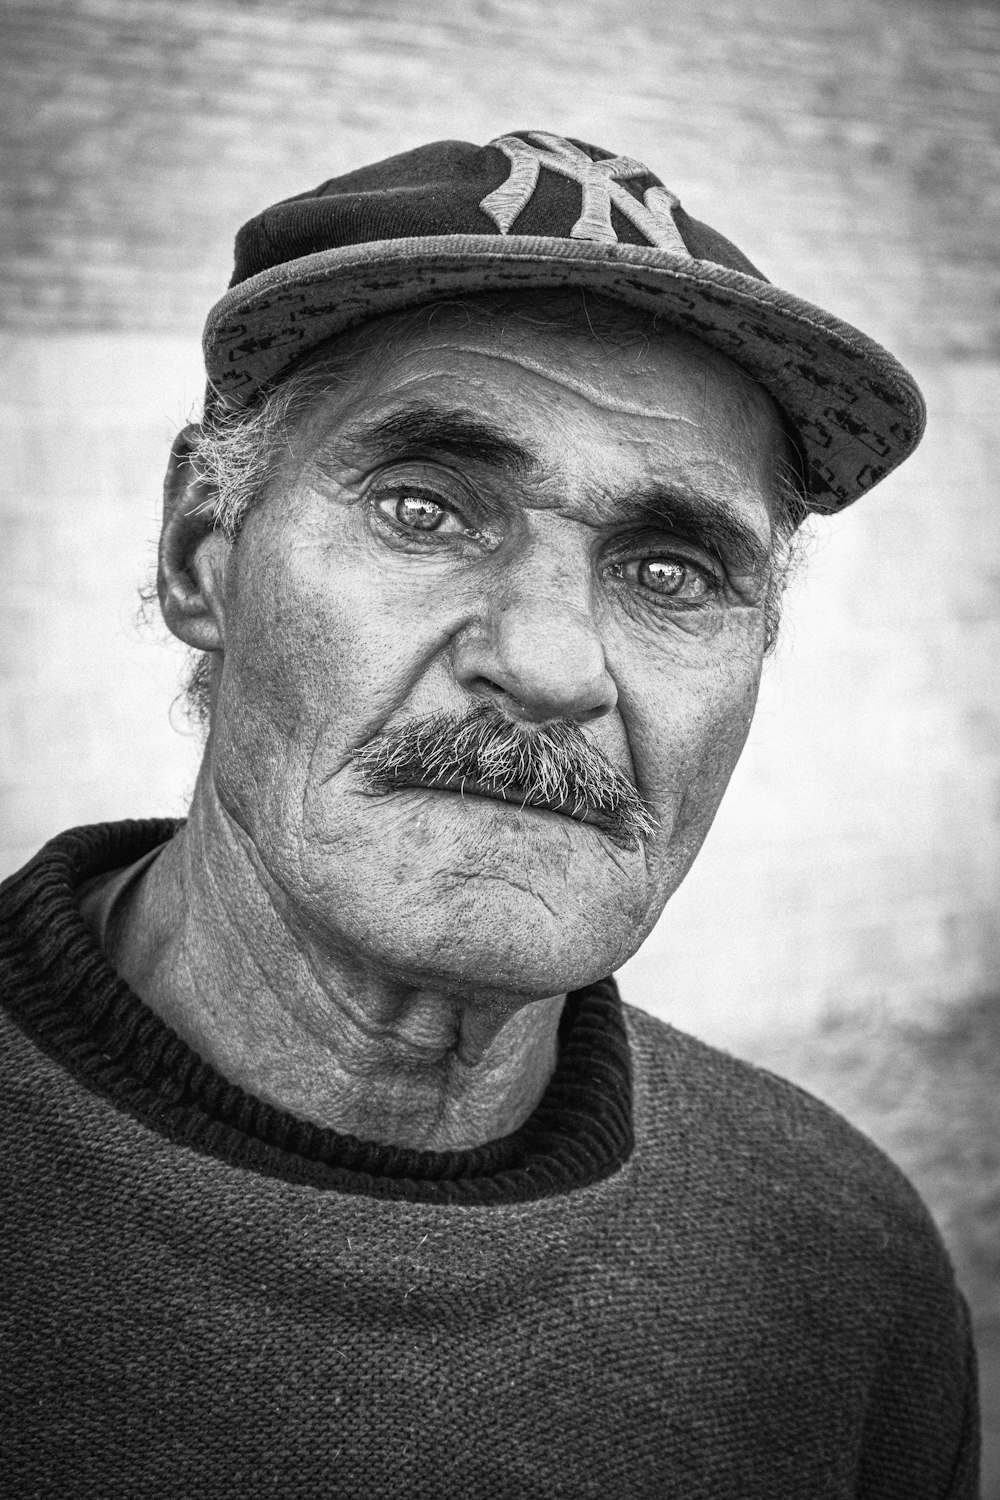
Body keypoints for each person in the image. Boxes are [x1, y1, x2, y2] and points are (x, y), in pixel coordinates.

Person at [0, 130, 979, 1498]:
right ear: (201, 555)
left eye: (670, 569)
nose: (553, 662)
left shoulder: (838, 1269)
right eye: (424, 509)